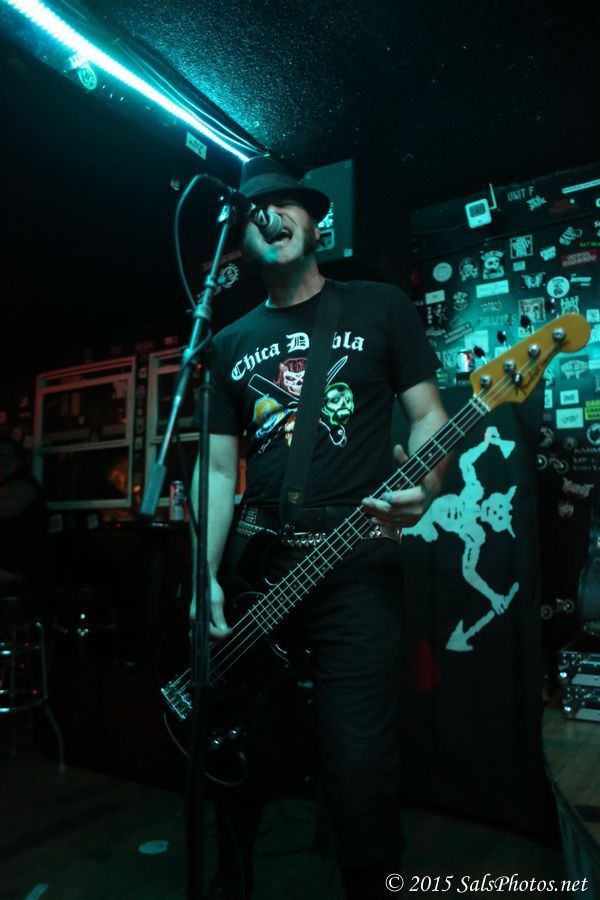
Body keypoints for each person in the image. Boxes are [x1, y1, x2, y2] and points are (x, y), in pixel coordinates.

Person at [189, 156, 449, 899]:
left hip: (355, 563)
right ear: (240, 245)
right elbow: (216, 472)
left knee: (359, 759)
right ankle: (232, 875)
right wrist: (204, 574)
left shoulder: (378, 307)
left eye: (286, 204)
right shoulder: (228, 342)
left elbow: (430, 416)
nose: (270, 215)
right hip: (257, 566)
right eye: (254, 210)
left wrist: (428, 484)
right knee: (239, 741)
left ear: (315, 223)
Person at [0, 436, 49, 586]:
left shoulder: (23, 483)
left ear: (20, 462)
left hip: (19, 567)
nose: (3, 460)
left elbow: (5, 508)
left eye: (9, 457)